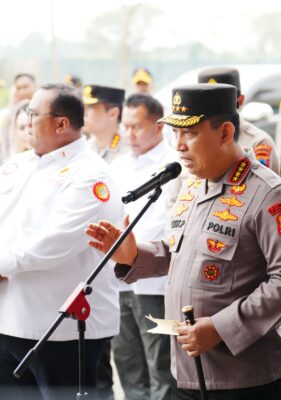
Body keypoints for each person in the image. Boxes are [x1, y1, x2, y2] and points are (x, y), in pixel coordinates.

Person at [86, 83, 281, 399]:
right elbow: (179, 251)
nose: (178, 146)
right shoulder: (193, 186)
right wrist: (134, 254)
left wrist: (221, 327)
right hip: (186, 370)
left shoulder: (268, 194)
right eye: (174, 134)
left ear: (224, 133)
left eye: (189, 133)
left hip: (243, 378)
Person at [0, 84, 123, 400]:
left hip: (54, 331)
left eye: (34, 114)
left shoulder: (90, 175)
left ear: (61, 124)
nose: (26, 119)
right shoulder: (18, 164)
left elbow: (58, 240)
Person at [109, 93, 175, 400]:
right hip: (119, 279)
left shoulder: (173, 164)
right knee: (127, 360)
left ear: (159, 126)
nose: (129, 134)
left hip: (155, 282)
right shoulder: (119, 165)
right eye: (126, 126)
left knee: (161, 363)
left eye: (137, 126)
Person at [197, 67, 280, 174]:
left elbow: (264, 187)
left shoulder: (258, 143)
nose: (212, 109)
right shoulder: (190, 141)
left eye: (220, 102)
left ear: (240, 101)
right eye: (205, 102)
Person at [0, 73, 37, 160]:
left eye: (25, 87)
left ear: (35, 87)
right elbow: (3, 144)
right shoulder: (5, 116)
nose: (22, 91)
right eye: (18, 88)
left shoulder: (44, 111)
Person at [83, 84, 128, 162]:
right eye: (83, 107)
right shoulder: (85, 149)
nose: (84, 113)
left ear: (113, 114)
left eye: (90, 107)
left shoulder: (131, 149)